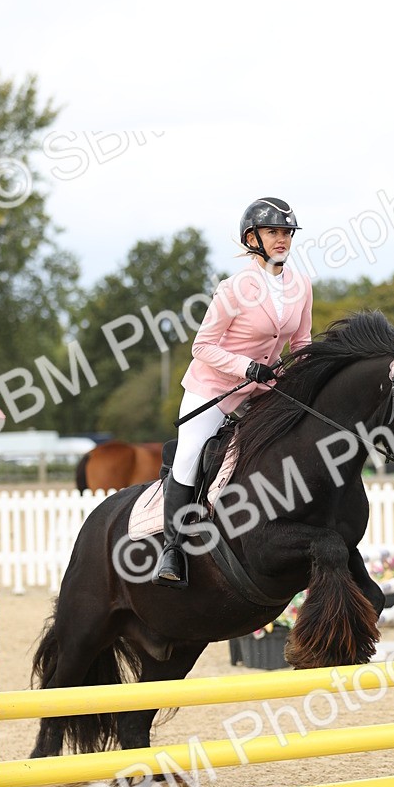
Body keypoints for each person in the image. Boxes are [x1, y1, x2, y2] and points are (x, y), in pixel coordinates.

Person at [152, 197, 313, 586]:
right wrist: (246, 367)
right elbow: (201, 346)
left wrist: (308, 376)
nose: (282, 240)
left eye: (287, 233)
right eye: (274, 232)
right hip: (215, 387)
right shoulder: (234, 288)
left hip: (266, 386)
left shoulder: (301, 285)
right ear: (251, 237)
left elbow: (302, 341)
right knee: (190, 453)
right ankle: (172, 550)